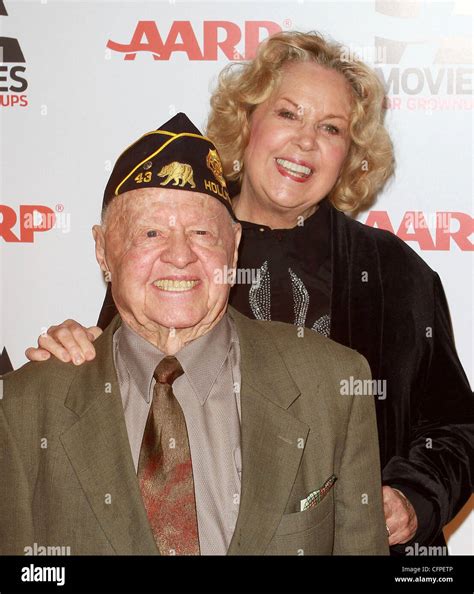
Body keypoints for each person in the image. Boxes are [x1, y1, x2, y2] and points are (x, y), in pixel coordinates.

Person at [25, 32, 473, 554]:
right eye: (288, 114)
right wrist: (77, 349)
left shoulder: (393, 271)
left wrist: (414, 498)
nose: (305, 142)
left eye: (330, 128)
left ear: (350, 153)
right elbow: (119, 390)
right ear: (246, 122)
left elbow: (456, 425)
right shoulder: (176, 259)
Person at [0, 113, 388, 556]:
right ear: (103, 250)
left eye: (201, 233)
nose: (180, 255)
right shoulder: (26, 407)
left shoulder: (332, 386)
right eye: (150, 232)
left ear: (234, 246)